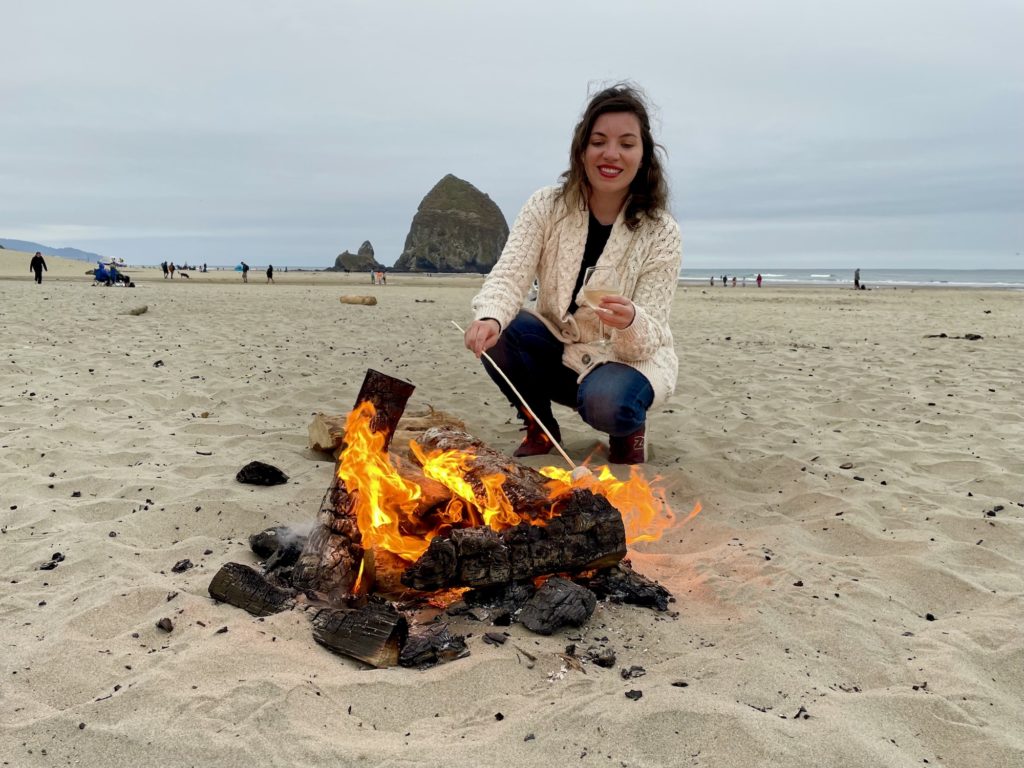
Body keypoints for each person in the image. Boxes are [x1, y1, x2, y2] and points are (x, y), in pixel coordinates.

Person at [463, 83, 681, 465]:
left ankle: (627, 428)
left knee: (609, 403)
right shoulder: (546, 206)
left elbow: (651, 334)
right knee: (501, 335)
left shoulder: (660, 230)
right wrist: (490, 316)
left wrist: (630, 320)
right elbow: (510, 274)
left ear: (643, 154)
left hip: (624, 358)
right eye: (599, 141)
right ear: (582, 149)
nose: (611, 154)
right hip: (559, 344)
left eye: (626, 144)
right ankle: (540, 425)